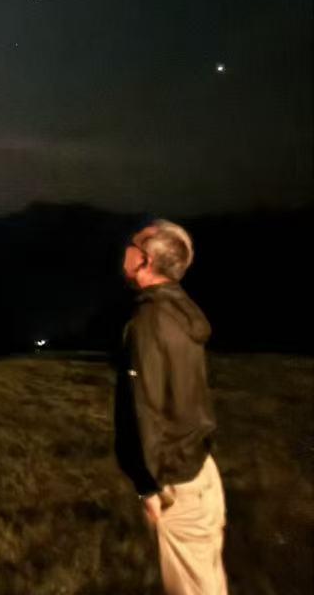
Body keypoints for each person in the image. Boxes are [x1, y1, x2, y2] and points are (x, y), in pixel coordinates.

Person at [115, 219, 229, 594]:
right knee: (208, 579)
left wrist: (147, 487)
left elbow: (142, 407)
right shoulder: (182, 310)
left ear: (144, 261)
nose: (125, 250)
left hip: (177, 481)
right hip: (201, 470)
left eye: (132, 245)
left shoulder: (148, 322)